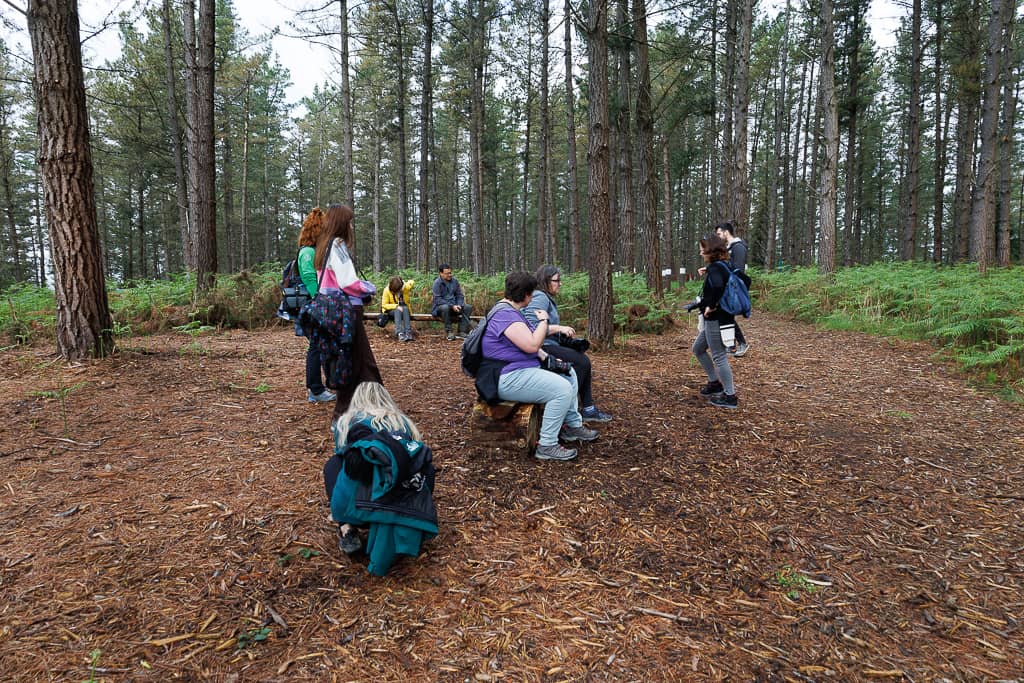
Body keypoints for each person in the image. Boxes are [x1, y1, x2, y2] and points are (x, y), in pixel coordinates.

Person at [480, 271, 599, 461]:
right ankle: (547, 445)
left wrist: (550, 360)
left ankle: (572, 426)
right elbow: (532, 343)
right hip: (505, 377)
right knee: (561, 389)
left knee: (568, 374)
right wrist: (544, 320)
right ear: (526, 294)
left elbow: (529, 344)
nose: (534, 296)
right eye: (532, 293)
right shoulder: (505, 315)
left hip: (519, 370)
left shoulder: (511, 311)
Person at [322, 382, 437, 576]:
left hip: (357, 507)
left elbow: (344, 458)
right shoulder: (403, 422)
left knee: (334, 464)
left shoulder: (346, 421)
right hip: (399, 502)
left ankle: (346, 527)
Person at [314, 204, 384, 417]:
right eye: (350, 221)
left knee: (352, 360)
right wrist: (368, 287)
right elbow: (348, 282)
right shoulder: (337, 246)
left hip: (330, 312)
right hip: (347, 312)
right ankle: (347, 412)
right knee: (359, 361)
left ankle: (370, 405)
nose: (351, 226)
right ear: (342, 223)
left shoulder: (322, 246)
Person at [522, 265, 612, 423]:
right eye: (557, 280)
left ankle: (585, 407)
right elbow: (531, 326)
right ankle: (568, 412)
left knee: (581, 359)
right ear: (546, 281)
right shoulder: (540, 297)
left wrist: (563, 337)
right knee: (582, 362)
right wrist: (558, 328)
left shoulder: (544, 297)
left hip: (549, 343)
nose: (560, 284)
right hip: (540, 348)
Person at [692, 233, 739, 409]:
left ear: (710, 250)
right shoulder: (721, 265)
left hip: (716, 318)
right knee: (697, 349)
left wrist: (710, 306)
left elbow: (718, 286)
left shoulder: (716, 268)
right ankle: (715, 383)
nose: (700, 253)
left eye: (702, 249)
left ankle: (730, 395)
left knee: (719, 355)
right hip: (721, 317)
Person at [295, 208, 336, 403]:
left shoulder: (312, 252)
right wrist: (319, 300)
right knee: (316, 347)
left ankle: (324, 385)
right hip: (314, 306)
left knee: (321, 345)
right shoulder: (307, 253)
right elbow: (310, 279)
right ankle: (316, 390)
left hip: (317, 304)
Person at [716, 221, 750, 357]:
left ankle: (741, 344)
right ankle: (731, 345)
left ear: (726, 232)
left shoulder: (738, 247)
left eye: (719, 234)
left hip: (734, 288)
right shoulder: (729, 248)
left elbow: (737, 269)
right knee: (725, 315)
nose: (718, 236)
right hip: (728, 287)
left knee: (727, 314)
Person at [431, 264, 473, 340]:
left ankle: (462, 331)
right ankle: (449, 332)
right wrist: (452, 306)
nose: (450, 275)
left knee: (467, 307)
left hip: (454, 306)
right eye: (447, 273)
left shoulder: (455, 282)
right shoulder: (437, 283)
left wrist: (459, 305)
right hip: (440, 308)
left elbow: (459, 295)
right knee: (445, 307)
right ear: (441, 273)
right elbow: (438, 300)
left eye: (450, 273)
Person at [382, 276, 415, 342]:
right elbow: (384, 305)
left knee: (405, 308)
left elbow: (412, 281)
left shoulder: (405, 288)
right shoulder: (387, 290)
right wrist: (396, 306)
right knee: (398, 310)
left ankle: (408, 333)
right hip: (390, 310)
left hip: (404, 310)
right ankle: (400, 333)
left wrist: (405, 285)